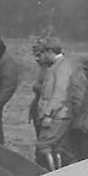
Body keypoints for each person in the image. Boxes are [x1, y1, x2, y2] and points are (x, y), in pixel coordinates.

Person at [30, 36, 75, 168]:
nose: (41, 57)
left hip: (57, 116)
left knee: (44, 146)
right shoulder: (56, 66)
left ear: (50, 52)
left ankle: (52, 173)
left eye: (44, 53)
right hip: (56, 115)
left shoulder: (61, 67)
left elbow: (59, 94)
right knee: (55, 147)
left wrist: (48, 114)